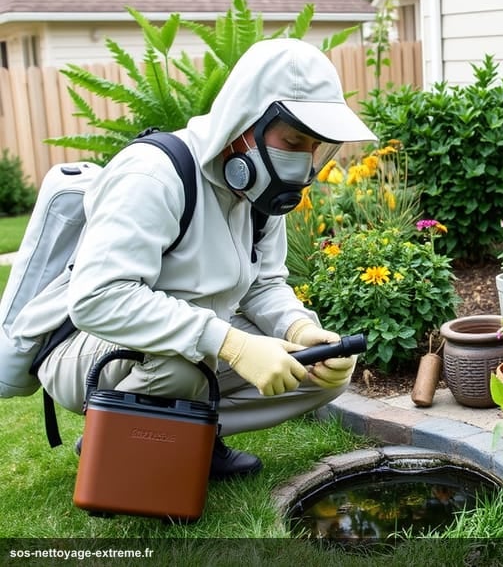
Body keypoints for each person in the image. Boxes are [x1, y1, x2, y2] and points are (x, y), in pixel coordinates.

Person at [12, 38, 377, 479]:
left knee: (314, 373)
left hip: (184, 343)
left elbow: (264, 285)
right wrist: (232, 344)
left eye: (314, 146)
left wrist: (299, 331)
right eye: (293, 140)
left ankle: (186, 436)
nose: (304, 161)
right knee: (185, 362)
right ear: (246, 121)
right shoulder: (153, 174)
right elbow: (98, 299)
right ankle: (119, 437)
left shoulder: (259, 187)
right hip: (83, 348)